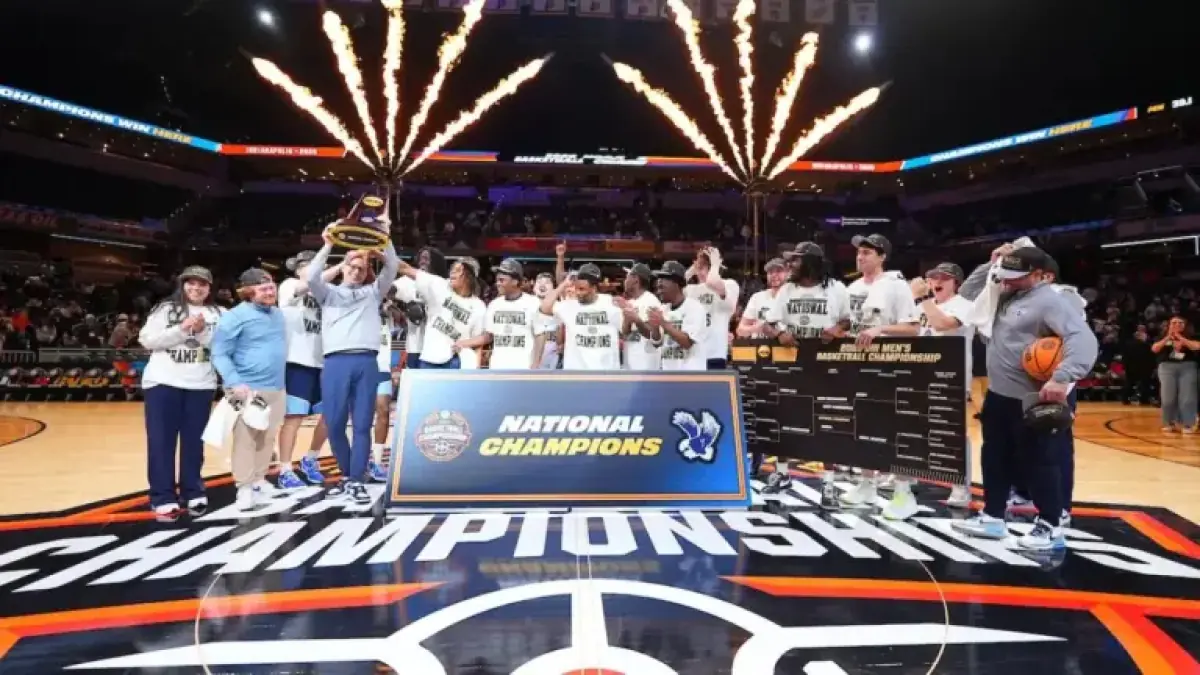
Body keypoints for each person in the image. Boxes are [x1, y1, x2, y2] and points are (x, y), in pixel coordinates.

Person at [951, 247, 1098, 550]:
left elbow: (1083, 339)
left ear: (1038, 275)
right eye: (1004, 274)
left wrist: (1063, 376)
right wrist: (993, 263)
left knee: (1040, 462)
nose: (1006, 280)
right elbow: (967, 294)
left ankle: (1050, 525)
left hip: (1031, 397)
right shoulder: (1004, 294)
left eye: (1015, 276)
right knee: (995, 458)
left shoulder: (1051, 301)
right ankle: (993, 517)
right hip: (998, 394)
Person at [306, 229, 401, 505]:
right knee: (334, 422)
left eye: (362, 268)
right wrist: (327, 246)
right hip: (336, 361)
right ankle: (348, 474)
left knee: (361, 424)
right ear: (343, 268)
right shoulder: (328, 293)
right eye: (352, 266)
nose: (357, 272)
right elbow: (311, 277)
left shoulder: (373, 293)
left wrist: (385, 242)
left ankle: (356, 479)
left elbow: (392, 267)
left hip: (366, 361)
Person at [762, 242, 851, 500]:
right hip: (792, 359)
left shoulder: (836, 288)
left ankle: (829, 482)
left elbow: (847, 320)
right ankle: (781, 473)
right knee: (785, 418)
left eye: (796, 260)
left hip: (826, 360)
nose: (790, 264)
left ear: (811, 262)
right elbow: (768, 324)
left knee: (826, 423)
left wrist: (837, 330)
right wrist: (779, 333)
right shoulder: (787, 289)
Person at [840, 234, 920, 509]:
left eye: (867, 253)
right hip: (858, 366)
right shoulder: (852, 288)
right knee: (862, 428)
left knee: (896, 430)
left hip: (891, 367)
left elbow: (913, 328)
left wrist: (880, 329)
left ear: (882, 256)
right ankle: (866, 484)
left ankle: (903, 492)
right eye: (859, 252)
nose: (860, 257)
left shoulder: (896, 285)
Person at [138, 265, 223, 518]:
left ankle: (193, 491)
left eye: (202, 284)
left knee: (194, 443)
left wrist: (202, 331)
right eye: (191, 283)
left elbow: (223, 346)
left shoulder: (220, 313)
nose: (196, 288)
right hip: (163, 383)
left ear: (210, 288)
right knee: (161, 442)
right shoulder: (166, 309)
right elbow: (147, 340)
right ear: (182, 284)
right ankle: (162, 496)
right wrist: (181, 329)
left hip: (201, 385)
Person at [210, 268, 289, 510]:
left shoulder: (278, 314)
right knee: (246, 440)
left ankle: (259, 480)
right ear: (247, 292)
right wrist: (234, 382)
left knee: (268, 438)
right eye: (263, 288)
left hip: (276, 386)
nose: (270, 292)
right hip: (247, 388)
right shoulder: (234, 317)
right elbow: (219, 353)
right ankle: (244, 488)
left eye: (272, 287)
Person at [908, 262, 976, 514]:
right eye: (933, 277)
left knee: (951, 434)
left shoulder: (964, 305)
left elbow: (942, 325)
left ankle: (960, 486)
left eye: (944, 278)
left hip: (950, 377)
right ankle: (908, 475)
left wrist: (922, 298)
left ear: (956, 283)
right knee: (912, 429)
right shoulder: (921, 305)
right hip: (920, 375)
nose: (937, 281)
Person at [275, 251, 335, 491]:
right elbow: (309, 282)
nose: (308, 270)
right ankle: (285, 469)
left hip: (324, 362)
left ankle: (310, 458)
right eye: (304, 266)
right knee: (294, 418)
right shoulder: (289, 286)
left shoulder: (327, 293)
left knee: (330, 415)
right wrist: (343, 263)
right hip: (297, 361)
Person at [395, 255, 486, 369]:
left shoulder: (479, 307)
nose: (452, 272)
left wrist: (476, 369)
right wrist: (383, 253)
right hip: (430, 359)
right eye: (452, 269)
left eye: (458, 270)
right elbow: (405, 268)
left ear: (469, 276)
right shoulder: (439, 285)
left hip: (458, 362)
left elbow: (478, 344)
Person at [540, 263, 623, 370]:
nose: (578, 293)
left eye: (582, 289)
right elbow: (544, 307)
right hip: (575, 373)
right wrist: (564, 284)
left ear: (594, 288)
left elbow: (625, 331)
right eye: (576, 288)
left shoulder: (610, 303)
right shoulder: (569, 306)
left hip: (606, 372)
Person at [471, 258, 545, 369]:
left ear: (515, 281)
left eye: (502, 280)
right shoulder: (494, 304)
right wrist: (465, 342)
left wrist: (536, 363)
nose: (497, 284)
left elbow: (540, 335)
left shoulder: (533, 303)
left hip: (524, 367)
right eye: (497, 280)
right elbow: (488, 336)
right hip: (497, 367)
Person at [393, 247, 447, 370]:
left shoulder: (443, 283)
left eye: (426, 258)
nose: (422, 261)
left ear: (435, 261)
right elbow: (390, 289)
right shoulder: (409, 281)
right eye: (421, 258)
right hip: (415, 346)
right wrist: (405, 308)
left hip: (437, 347)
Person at [685, 247, 739, 370]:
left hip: (715, 354)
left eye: (704, 267)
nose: (700, 272)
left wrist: (715, 264)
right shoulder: (691, 290)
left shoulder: (729, 285)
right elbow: (674, 288)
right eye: (699, 267)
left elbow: (712, 282)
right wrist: (692, 270)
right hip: (693, 354)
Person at [647, 260, 706, 370]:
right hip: (668, 373)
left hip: (691, 374)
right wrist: (655, 327)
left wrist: (662, 322)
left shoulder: (694, 308)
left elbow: (687, 343)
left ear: (677, 283)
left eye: (663, 280)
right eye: (658, 287)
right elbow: (656, 343)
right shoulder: (663, 309)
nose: (659, 284)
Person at [1153, 315, 1200, 433]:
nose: (1177, 325)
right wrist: (1168, 337)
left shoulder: (1191, 336)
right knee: (1167, 397)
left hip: (1188, 367)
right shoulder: (1162, 336)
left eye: (1180, 323)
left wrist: (1181, 338)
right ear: (1169, 325)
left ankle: (1188, 424)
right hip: (1167, 367)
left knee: (1188, 397)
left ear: (1185, 325)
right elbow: (1155, 349)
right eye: (1174, 323)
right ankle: (1169, 422)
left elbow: (1196, 346)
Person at [621, 263, 663, 370]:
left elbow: (654, 336)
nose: (625, 281)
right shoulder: (630, 302)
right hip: (630, 364)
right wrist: (627, 319)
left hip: (646, 366)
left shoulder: (650, 301)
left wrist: (637, 319)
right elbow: (625, 335)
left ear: (636, 280)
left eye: (627, 277)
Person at [736, 258, 788, 339]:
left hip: (785, 345)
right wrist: (756, 328)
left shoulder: (794, 297)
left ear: (788, 273)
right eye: (770, 272)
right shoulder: (757, 297)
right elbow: (740, 330)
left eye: (778, 271)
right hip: (759, 345)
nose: (774, 275)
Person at [532, 272, 561, 369]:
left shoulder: (560, 307)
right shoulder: (527, 305)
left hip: (553, 355)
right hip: (530, 353)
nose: (542, 285)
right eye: (539, 282)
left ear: (553, 288)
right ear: (534, 287)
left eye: (547, 282)